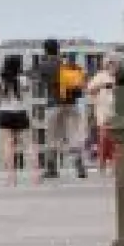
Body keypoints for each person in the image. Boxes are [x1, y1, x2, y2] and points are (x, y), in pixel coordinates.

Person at [37, 38, 86, 180]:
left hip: (54, 104)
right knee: (74, 135)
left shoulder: (45, 65)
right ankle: (79, 164)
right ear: (58, 49)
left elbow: (41, 82)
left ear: (45, 50)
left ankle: (52, 168)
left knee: (53, 137)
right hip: (72, 104)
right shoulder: (68, 64)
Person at [0, 54, 35, 186]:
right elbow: (27, 91)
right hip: (20, 113)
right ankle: (35, 175)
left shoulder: (0, 81)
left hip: (5, 113)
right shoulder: (23, 80)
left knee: (8, 145)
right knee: (28, 144)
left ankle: (11, 178)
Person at [86, 55, 120, 174]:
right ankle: (102, 164)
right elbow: (90, 90)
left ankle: (114, 165)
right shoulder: (101, 76)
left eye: (115, 63)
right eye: (111, 63)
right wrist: (103, 85)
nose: (114, 66)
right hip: (104, 111)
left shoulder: (120, 77)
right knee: (104, 138)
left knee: (116, 140)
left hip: (117, 112)